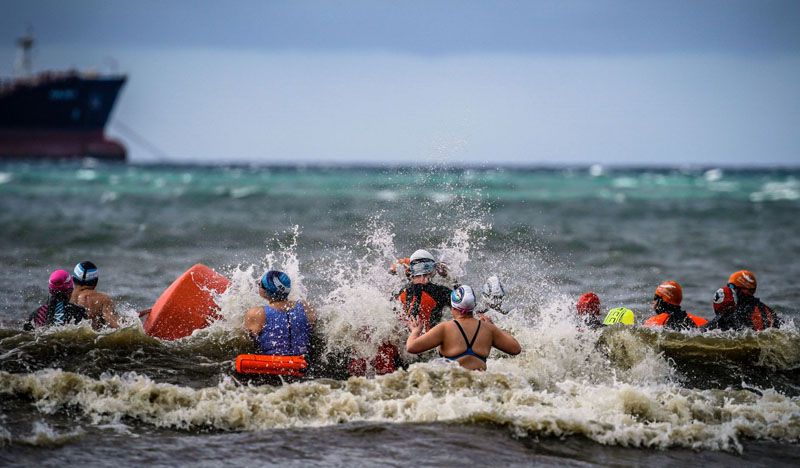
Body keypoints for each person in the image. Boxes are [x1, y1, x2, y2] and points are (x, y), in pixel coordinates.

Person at [406, 285, 521, 370]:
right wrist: (494, 327)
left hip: (456, 383)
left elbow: (411, 347)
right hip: (478, 381)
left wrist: (415, 331)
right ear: (473, 307)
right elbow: (516, 349)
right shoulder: (488, 329)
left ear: (453, 308)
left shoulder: (445, 328)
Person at [244, 270, 316, 356]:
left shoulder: (257, 313)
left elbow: (247, 340)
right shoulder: (305, 307)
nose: (258, 285)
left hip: (272, 362)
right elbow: (312, 327)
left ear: (265, 291)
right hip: (301, 361)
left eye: (260, 284)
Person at [394, 249, 454, 332]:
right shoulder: (441, 292)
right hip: (431, 338)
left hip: (407, 337)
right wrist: (449, 277)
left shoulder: (401, 291)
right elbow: (463, 305)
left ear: (411, 270)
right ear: (433, 270)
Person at [703, 270, 780, 331]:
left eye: (731, 286)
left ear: (743, 289)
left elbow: (707, 330)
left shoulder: (737, 313)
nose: (729, 289)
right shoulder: (768, 311)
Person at [70, 261, 119, 330]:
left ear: (73, 279)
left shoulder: (66, 296)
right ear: (96, 281)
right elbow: (115, 325)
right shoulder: (103, 299)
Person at [643, 280, 707, 330]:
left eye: (655, 298)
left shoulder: (652, 322)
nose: (653, 302)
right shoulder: (701, 321)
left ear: (661, 301)